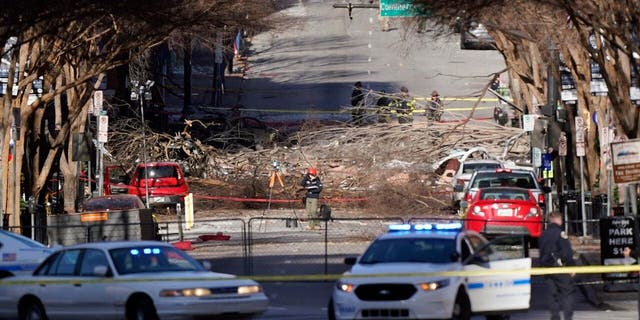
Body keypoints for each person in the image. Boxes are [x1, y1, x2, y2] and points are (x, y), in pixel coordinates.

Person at [539, 211, 575, 320]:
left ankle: (555, 317)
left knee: (552, 295)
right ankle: (567, 318)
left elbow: (541, 251)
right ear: (559, 220)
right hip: (559, 268)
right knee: (567, 293)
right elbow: (566, 252)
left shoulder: (543, 234)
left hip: (547, 268)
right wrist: (571, 266)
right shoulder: (560, 233)